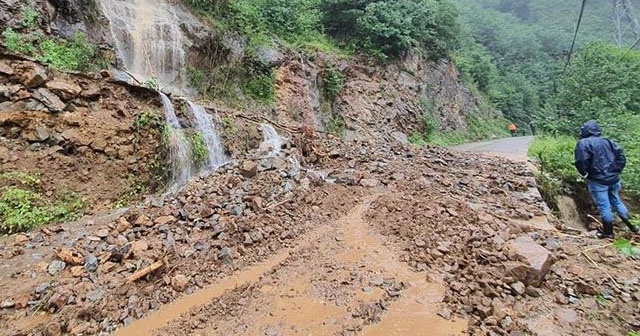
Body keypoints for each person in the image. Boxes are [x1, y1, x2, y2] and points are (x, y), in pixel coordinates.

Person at [574, 120, 638, 238]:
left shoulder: (583, 143)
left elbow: (581, 161)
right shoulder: (608, 141)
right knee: (616, 200)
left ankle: (608, 233)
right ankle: (633, 226)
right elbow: (621, 158)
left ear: (585, 130)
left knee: (604, 205)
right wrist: (615, 171)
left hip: (597, 181)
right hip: (613, 179)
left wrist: (585, 173)